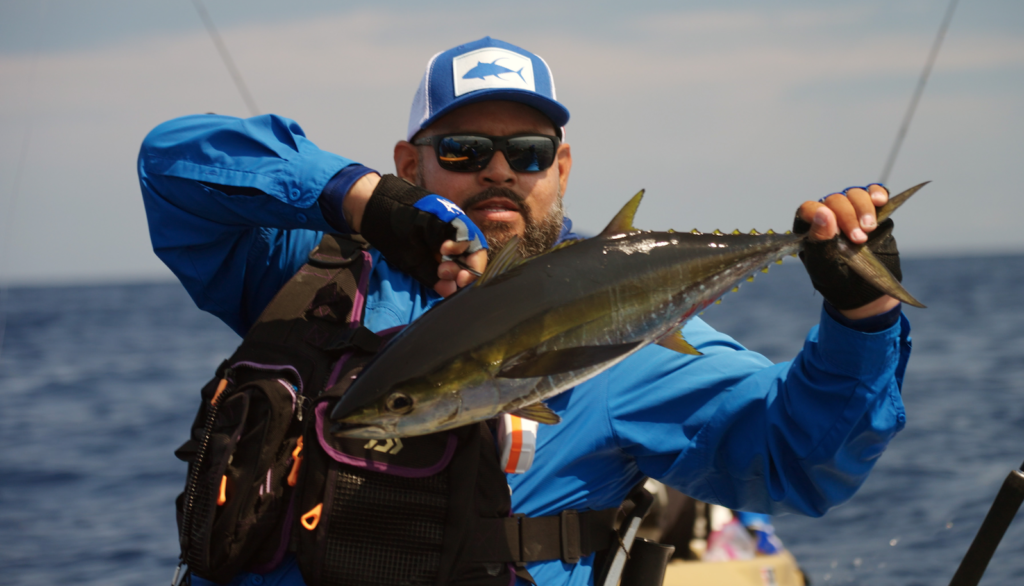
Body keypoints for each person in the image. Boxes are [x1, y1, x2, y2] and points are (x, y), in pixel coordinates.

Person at [138, 36, 911, 586]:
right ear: (412, 163)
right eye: (466, 151)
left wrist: (863, 314)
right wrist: (360, 198)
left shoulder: (632, 335)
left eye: (530, 152)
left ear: (562, 168)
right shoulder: (312, 280)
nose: (500, 172)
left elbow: (801, 460)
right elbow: (170, 165)